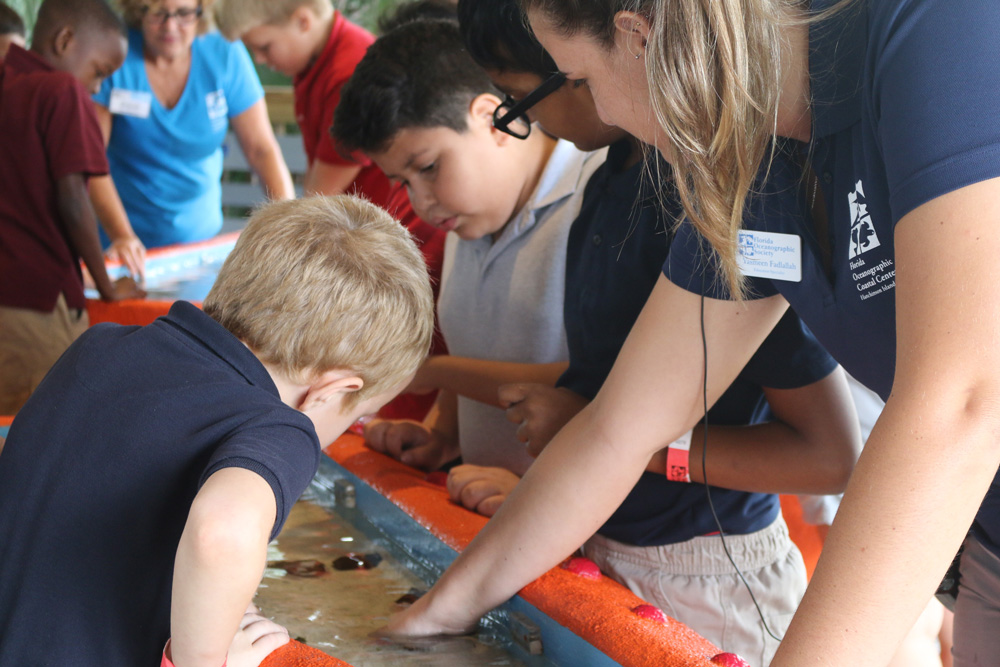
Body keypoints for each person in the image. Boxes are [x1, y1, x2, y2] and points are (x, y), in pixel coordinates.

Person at [385, 0, 1000, 665]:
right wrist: (424, 623)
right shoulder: (748, 165)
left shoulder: (937, 26)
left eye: (583, 82)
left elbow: (963, 403)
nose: (603, 117)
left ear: (636, 35)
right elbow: (617, 428)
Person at [436, 2, 860, 661]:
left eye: (527, 96)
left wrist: (639, 445)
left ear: (623, 44)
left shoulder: (729, 201)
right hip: (612, 548)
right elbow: (608, 415)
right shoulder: (608, 193)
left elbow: (833, 453)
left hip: (716, 577)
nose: (536, 124)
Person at [0, 194, 435, 666]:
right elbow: (221, 531)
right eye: (353, 415)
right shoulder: (279, 426)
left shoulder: (101, 345)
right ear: (330, 391)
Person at [332, 18, 603, 486]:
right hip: (491, 511)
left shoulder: (596, 194)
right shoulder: (467, 218)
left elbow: (603, 387)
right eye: (402, 182)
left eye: (430, 167)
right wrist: (442, 437)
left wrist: (432, 372)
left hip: (579, 521)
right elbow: (481, 344)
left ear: (488, 117)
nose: (421, 202)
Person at [214, 0, 450, 423]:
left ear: (303, 20)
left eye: (265, 48)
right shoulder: (312, 64)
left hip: (379, 245)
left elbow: (317, 201)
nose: (262, 60)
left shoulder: (348, 69)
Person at [0, 0, 145, 416]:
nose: (97, 88)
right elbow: (73, 198)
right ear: (65, 41)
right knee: (40, 426)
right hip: (37, 304)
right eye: (99, 71)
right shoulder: (60, 90)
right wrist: (103, 283)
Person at [90, 0, 294, 252]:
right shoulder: (116, 53)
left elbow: (261, 150)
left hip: (200, 241)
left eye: (184, 13)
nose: (170, 26)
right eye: (158, 13)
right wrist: (122, 236)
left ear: (201, 11)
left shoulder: (224, 52)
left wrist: (289, 225)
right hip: (119, 240)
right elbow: (92, 159)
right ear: (137, 10)